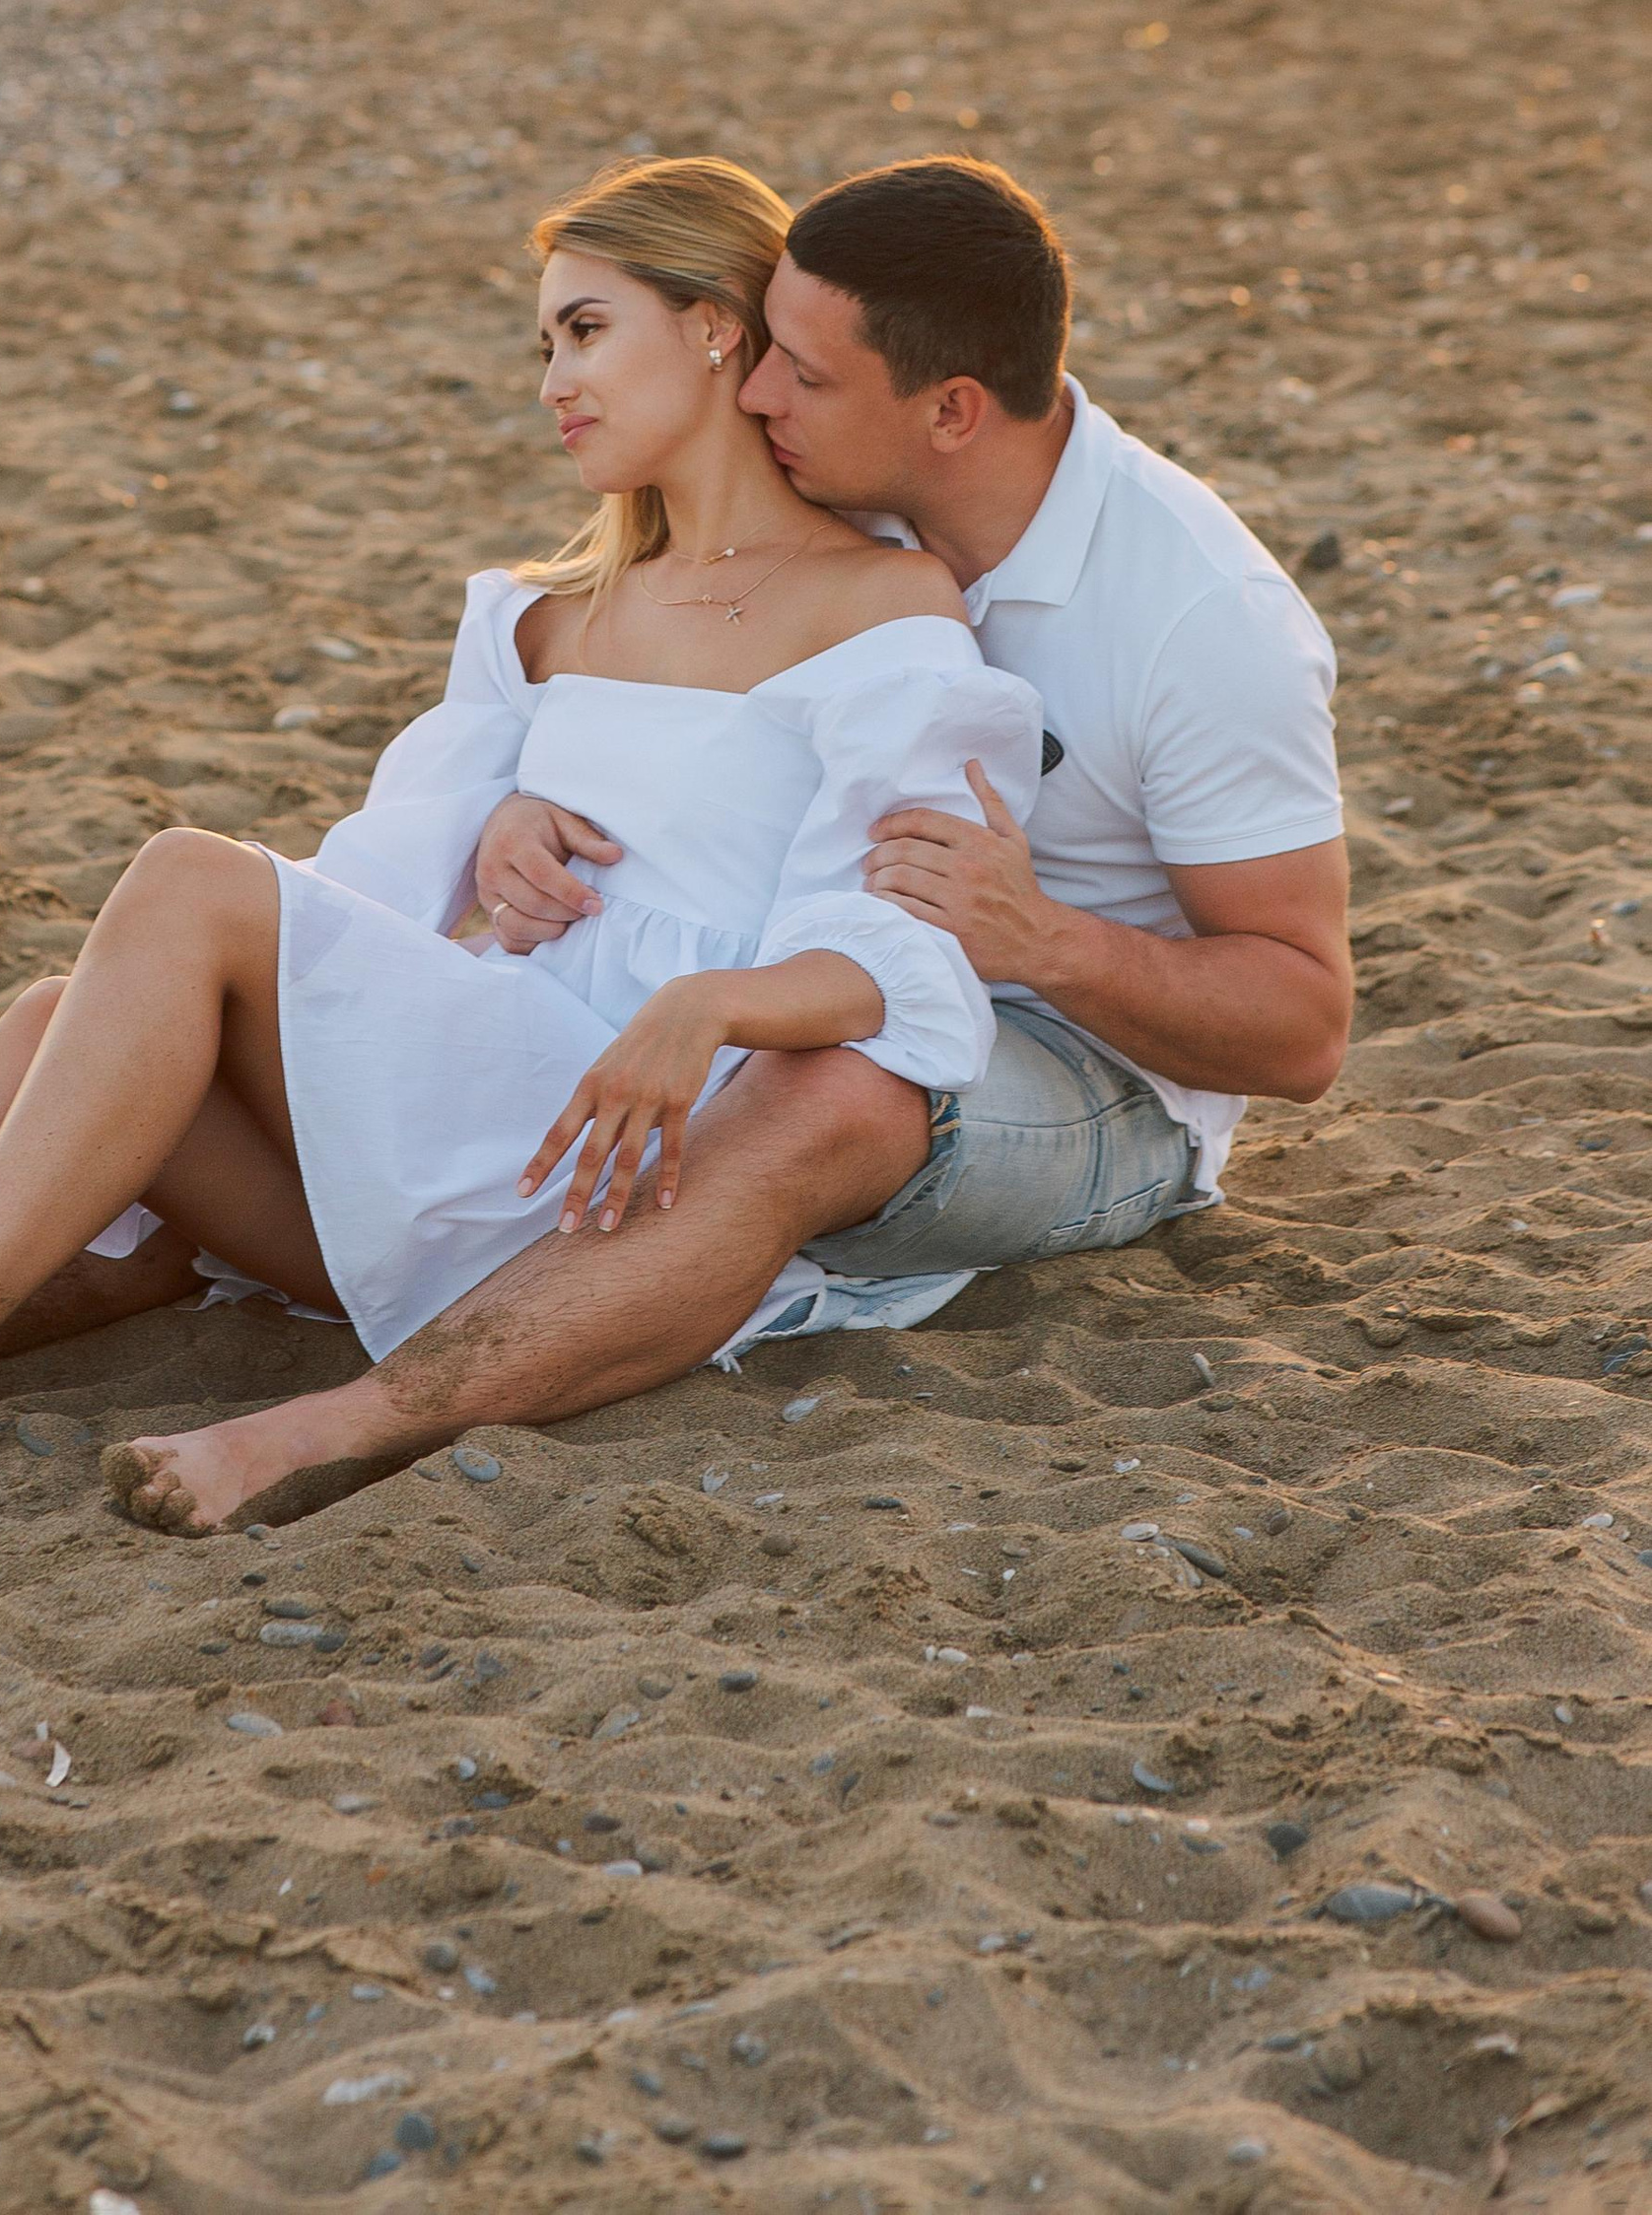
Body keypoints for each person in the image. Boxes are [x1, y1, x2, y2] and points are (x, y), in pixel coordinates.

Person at [0, 154, 1037, 1547]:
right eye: (539, 341)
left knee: (188, 881)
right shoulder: (542, 620)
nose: (550, 377)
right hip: (447, 1135)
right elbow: (366, 891)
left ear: (711, 323)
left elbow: (909, 962)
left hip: (621, 1162)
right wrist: (485, 836)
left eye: (583, 328)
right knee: (52, 1022)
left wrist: (711, 1009)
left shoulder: (880, 610)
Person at [116, 154, 1350, 1541]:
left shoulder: (1201, 619)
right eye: (765, 350)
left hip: (1097, 1065)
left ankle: (340, 1430)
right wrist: (510, 803)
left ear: (949, 409)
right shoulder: (853, 506)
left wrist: (1046, 942)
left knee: (830, 1089)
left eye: (803, 377)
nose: (758, 394)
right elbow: (683, 720)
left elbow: (1304, 1028)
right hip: (857, 962)